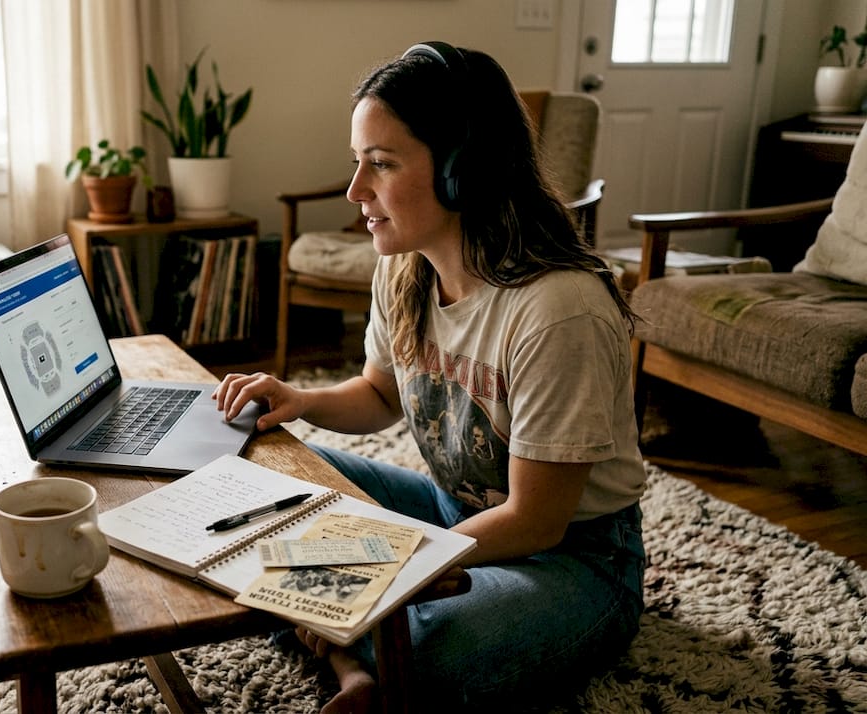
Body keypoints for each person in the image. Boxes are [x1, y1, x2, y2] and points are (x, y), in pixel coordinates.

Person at [213, 41, 646, 713]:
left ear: (460, 169)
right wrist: (299, 400)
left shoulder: (559, 310)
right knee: (258, 465)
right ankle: (357, 664)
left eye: (381, 165)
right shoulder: (404, 264)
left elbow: (535, 522)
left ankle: (347, 651)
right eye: (358, 164)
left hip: (572, 561)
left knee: (426, 649)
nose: (357, 192)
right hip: (461, 514)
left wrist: (378, 557)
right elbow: (382, 394)